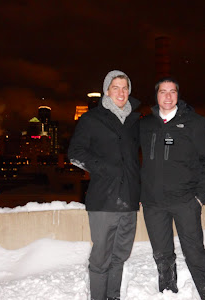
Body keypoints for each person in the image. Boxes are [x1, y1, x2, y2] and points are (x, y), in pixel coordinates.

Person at [140, 77, 205, 300]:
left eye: (172, 91)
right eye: (163, 92)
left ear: (178, 95)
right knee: (162, 255)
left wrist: (199, 198)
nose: (167, 96)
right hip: (153, 203)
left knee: (195, 254)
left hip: (185, 201)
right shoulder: (145, 125)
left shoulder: (195, 123)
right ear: (156, 96)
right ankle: (168, 293)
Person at [68, 70, 141, 300]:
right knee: (101, 259)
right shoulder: (91, 119)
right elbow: (75, 153)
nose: (121, 92)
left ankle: (113, 297)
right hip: (103, 200)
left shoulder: (134, 121)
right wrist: (106, 169)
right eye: (115, 87)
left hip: (129, 199)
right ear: (106, 91)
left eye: (125, 87)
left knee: (120, 256)